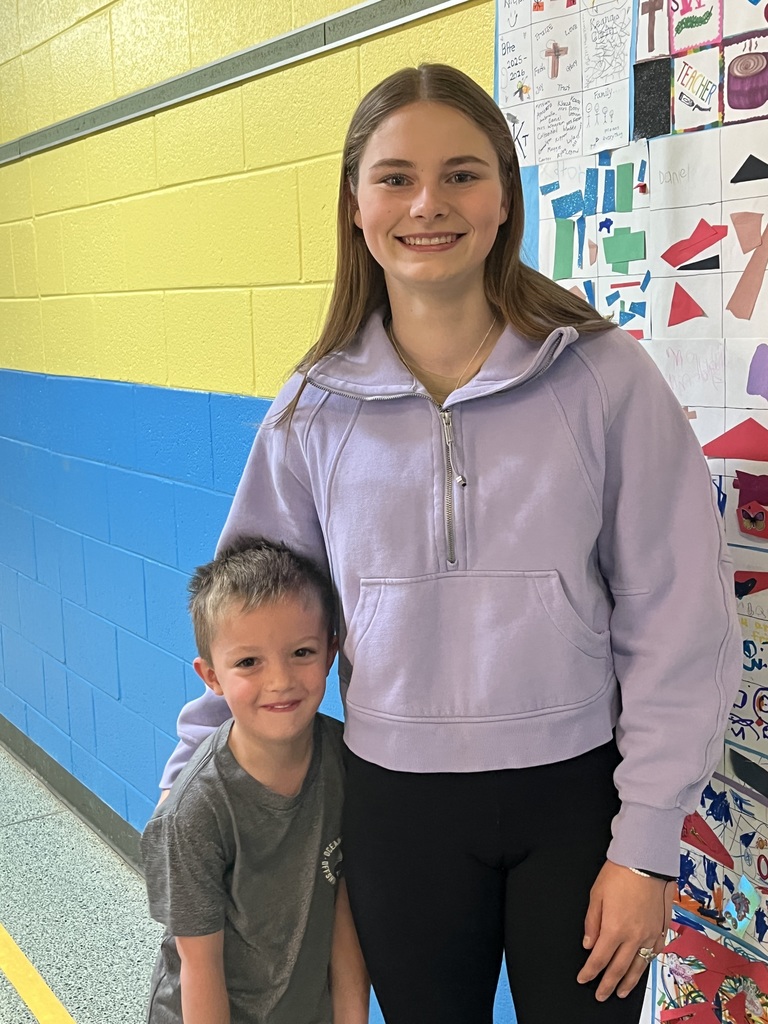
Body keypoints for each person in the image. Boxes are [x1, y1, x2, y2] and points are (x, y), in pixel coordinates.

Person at [159, 64, 742, 1023]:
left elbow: (678, 617)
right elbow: (248, 621)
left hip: (580, 801)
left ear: (505, 196)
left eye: (462, 174)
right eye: (395, 178)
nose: (428, 204)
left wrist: (645, 842)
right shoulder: (312, 412)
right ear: (355, 205)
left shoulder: (605, 378)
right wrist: (191, 791)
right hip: (398, 812)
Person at [143, 538, 369, 1024]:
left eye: (301, 652)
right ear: (212, 676)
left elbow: (343, 916)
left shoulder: (345, 759)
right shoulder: (193, 814)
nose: (280, 680)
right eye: (249, 661)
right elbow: (198, 969)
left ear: (331, 652)